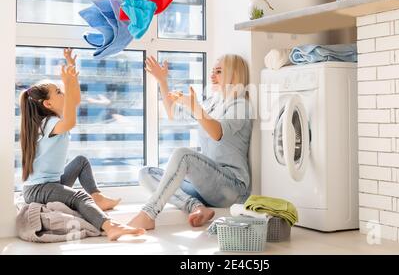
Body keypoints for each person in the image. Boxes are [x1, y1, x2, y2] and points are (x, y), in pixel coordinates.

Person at [20, 48, 145, 241]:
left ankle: (98, 198)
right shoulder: (48, 124)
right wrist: (68, 83)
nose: (64, 94)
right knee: (79, 197)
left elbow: (75, 100)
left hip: (49, 184)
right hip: (39, 189)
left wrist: (71, 71)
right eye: (58, 92)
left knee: (81, 161)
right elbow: (71, 120)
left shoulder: (50, 121)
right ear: (47, 104)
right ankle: (111, 226)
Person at [128, 54, 253, 230]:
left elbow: (218, 133)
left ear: (234, 75)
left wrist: (195, 107)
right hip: (207, 187)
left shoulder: (241, 105)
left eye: (218, 71)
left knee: (183, 155)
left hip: (232, 190)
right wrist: (162, 81)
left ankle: (148, 213)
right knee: (146, 173)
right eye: (212, 71)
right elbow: (172, 113)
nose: (212, 76)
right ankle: (196, 207)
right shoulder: (212, 103)